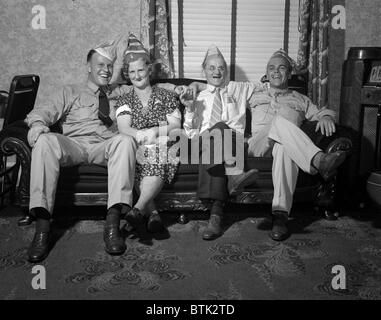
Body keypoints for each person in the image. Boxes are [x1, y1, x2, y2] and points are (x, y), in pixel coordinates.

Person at [25, 39, 185, 262]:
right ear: (88, 66)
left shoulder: (118, 91)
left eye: (110, 66)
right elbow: (42, 111)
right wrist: (37, 125)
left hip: (106, 146)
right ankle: (42, 228)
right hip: (75, 144)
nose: (106, 70)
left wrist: (182, 88)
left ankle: (112, 225)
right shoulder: (69, 91)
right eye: (100, 65)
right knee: (44, 141)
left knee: (125, 141)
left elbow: (148, 86)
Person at [247, 49, 346, 241]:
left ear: (289, 73)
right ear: (266, 74)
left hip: (284, 147)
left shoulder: (301, 99)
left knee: (284, 148)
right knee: (278, 121)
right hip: (258, 147)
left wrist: (325, 116)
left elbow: (323, 112)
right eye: (271, 68)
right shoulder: (253, 93)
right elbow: (222, 94)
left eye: (281, 68)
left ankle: (280, 216)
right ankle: (318, 160)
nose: (276, 72)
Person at [180, 45, 260, 241]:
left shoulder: (239, 88)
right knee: (219, 128)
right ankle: (234, 175)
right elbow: (189, 134)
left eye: (221, 68)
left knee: (222, 131)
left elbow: (268, 86)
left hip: (233, 142)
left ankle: (215, 214)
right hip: (201, 140)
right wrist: (190, 109)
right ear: (204, 71)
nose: (217, 72)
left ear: (226, 71)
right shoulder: (196, 95)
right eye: (211, 68)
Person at [115, 34, 181, 233]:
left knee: (158, 154)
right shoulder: (124, 100)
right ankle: (152, 214)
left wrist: (155, 131)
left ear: (149, 70)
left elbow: (175, 125)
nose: (137, 75)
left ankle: (137, 210)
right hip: (138, 143)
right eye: (132, 71)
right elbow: (124, 128)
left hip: (163, 142)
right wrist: (141, 136)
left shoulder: (167, 96)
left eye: (141, 70)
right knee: (134, 157)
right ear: (127, 74)